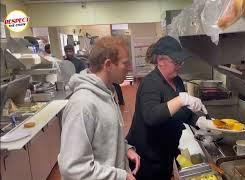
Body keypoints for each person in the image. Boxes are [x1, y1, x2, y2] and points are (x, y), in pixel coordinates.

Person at [126, 36, 214, 180]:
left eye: (181, 62)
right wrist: (181, 99)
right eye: (176, 62)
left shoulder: (177, 81)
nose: (180, 66)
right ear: (161, 61)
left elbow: (180, 111)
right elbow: (151, 117)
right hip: (147, 157)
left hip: (166, 152)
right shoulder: (151, 83)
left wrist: (199, 121)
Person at [58, 36, 140, 180]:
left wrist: (125, 149)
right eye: (125, 63)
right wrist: (121, 176)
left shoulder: (107, 92)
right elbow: (73, 168)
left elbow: (106, 137)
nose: (129, 68)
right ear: (108, 65)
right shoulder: (82, 104)